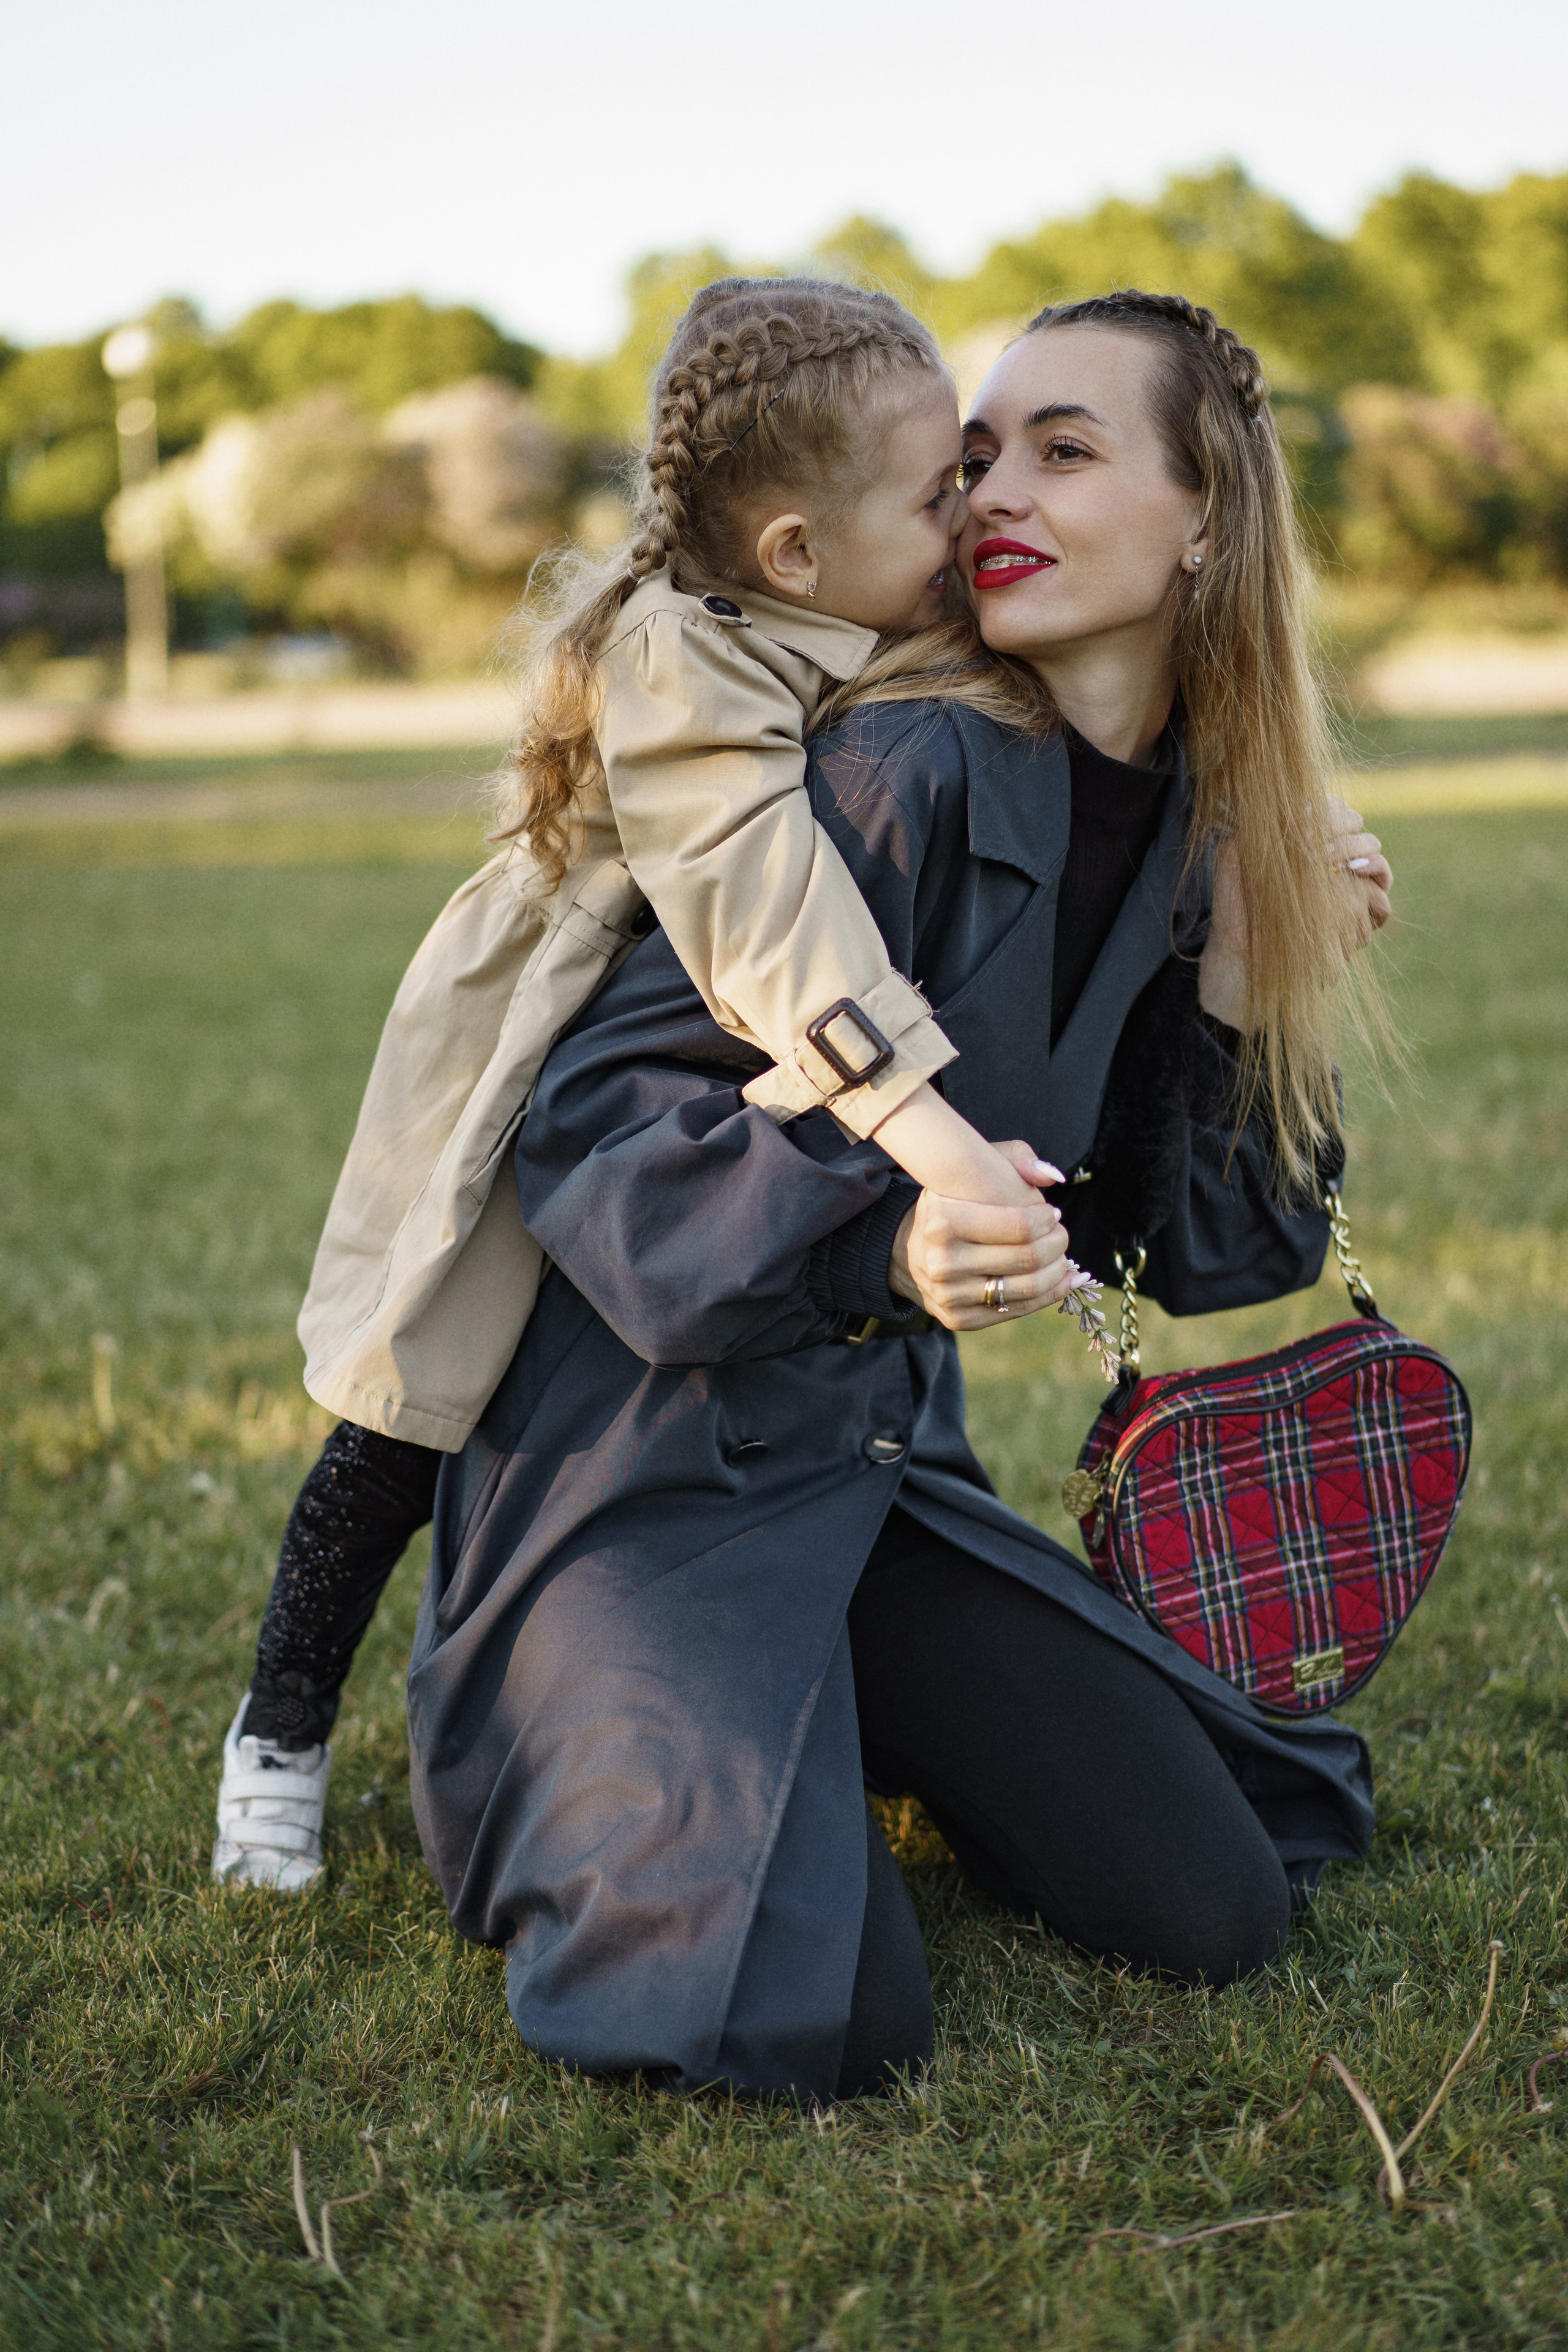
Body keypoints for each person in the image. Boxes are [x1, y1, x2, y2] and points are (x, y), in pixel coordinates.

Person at [405, 293, 1395, 2103]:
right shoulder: (899, 762)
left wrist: (1253, 977)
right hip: (641, 1485)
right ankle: (611, 1726)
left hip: (874, 1490)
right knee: (805, 2022)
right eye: (982, 450)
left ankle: (829, 1706)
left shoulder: (1193, 820)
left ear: (1208, 522)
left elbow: (1194, 1255)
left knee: (1219, 1900)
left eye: (1065, 449)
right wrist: (887, 1230)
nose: (989, 487)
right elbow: (591, 1120)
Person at [211, 279, 1089, 1890]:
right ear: (796, 556)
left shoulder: (883, 610)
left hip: (689, 1104)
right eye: (936, 489)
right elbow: (759, 900)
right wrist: (932, 1135)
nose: (971, 512)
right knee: (414, 1414)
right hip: (554, 1079)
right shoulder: (689, 653)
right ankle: (279, 1728)